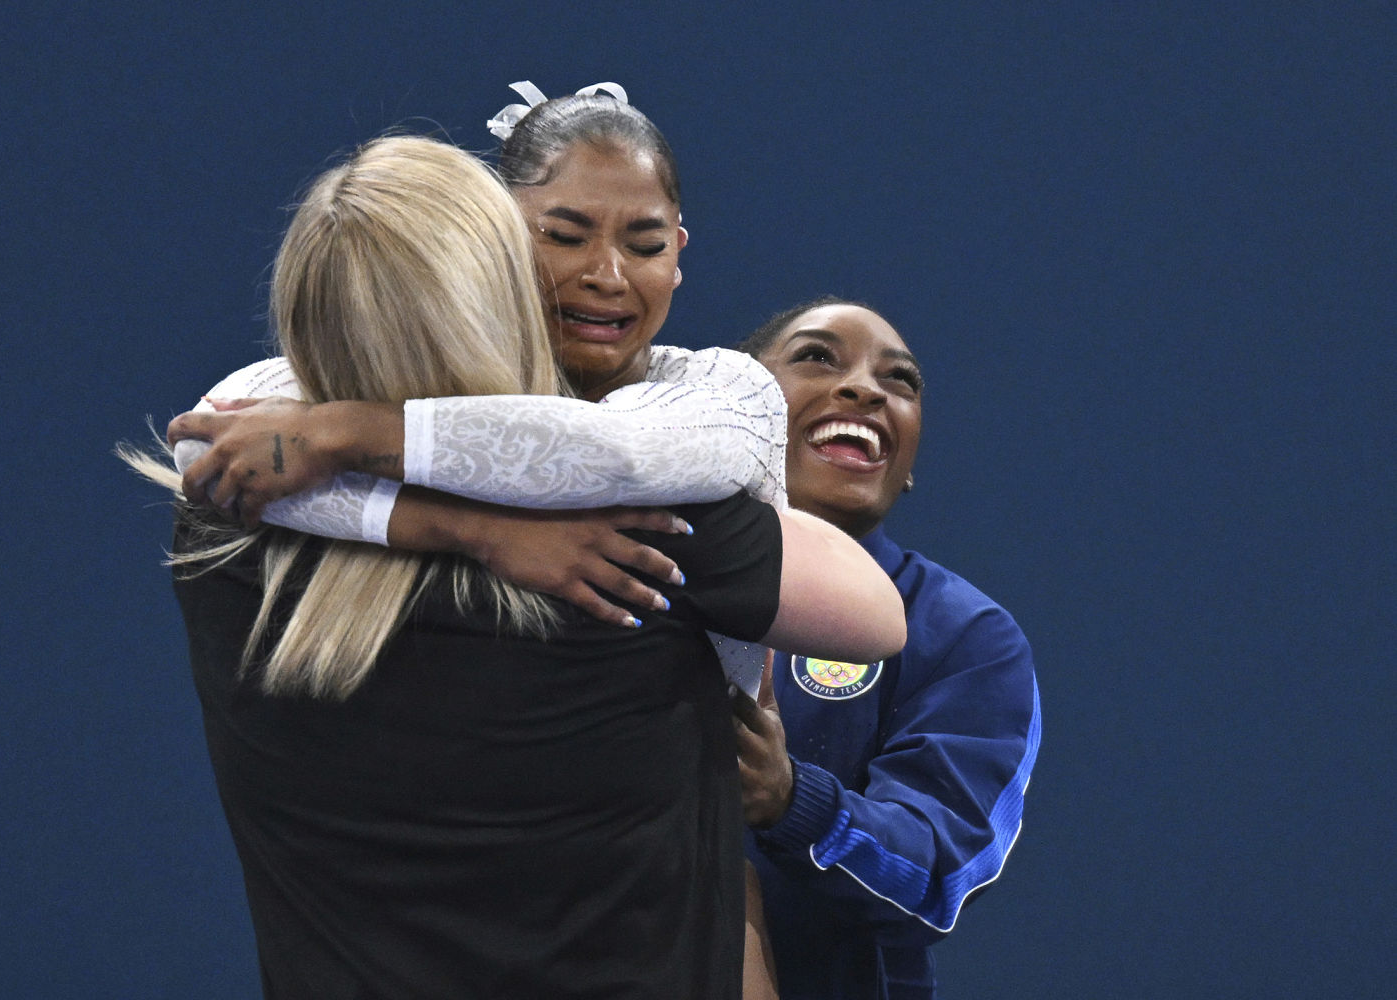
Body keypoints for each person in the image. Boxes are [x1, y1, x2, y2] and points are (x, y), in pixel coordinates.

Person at [128, 136, 906, 999]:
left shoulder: (223, 521)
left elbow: (225, 423)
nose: (600, 275)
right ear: (500, 289)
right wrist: (491, 521)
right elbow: (873, 613)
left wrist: (445, 516)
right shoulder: (637, 539)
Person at [170, 83, 787, 638]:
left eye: (645, 245)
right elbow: (204, 444)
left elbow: (617, 454)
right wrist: (483, 531)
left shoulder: (729, 388)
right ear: (495, 242)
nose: (608, 275)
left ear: (677, 251)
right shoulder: (427, 385)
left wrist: (341, 434)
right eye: (564, 238)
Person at [731, 298, 1042, 1000]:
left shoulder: (964, 634)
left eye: (899, 381)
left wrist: (789, 799)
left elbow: (941, 873)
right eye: (817, 357)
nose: (866, 388)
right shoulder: (624, 559)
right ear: (733, 401)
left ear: (907, 464)